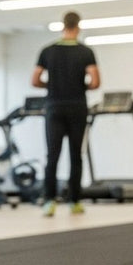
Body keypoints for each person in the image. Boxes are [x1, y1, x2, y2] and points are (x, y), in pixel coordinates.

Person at [31, 12, 100, 216]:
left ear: (62, 26)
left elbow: (34, 80)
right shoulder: (86, 52)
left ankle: (49, 201)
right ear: (78, 27)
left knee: (52, 156)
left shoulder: (48, 51)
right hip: (77, 106)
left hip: (54, 106)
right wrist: (78, 86)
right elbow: (95, 82)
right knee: (76, 156)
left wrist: (51, 84)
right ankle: (74, 201)